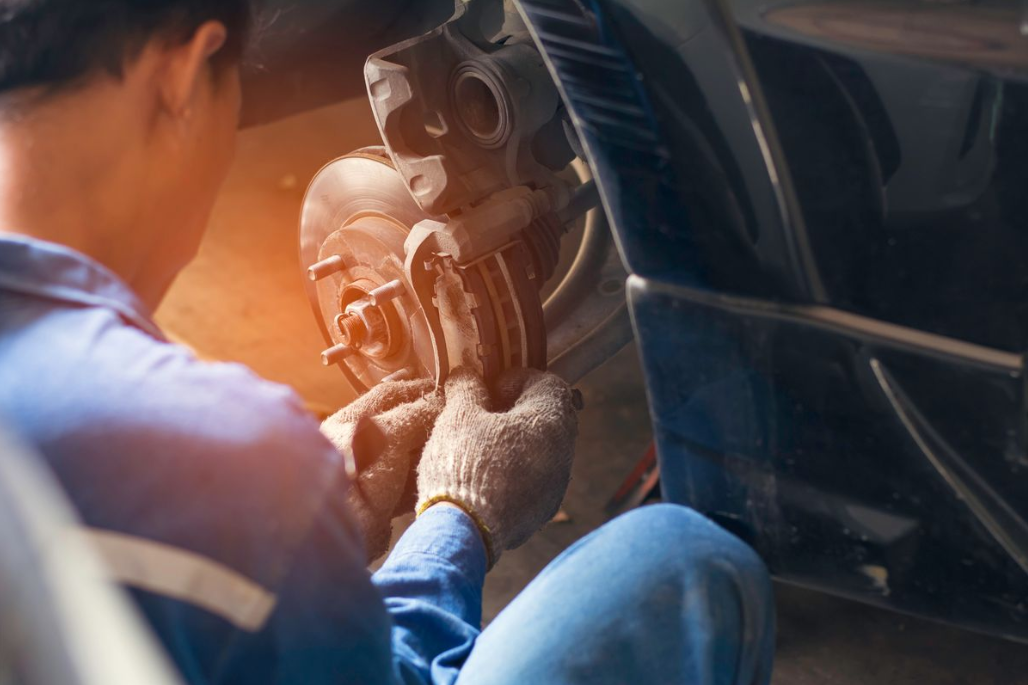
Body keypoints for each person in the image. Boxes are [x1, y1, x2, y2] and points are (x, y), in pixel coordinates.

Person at [0, 1, 776, 683]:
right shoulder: (213, 445)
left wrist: (294, 519)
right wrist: (456, 520)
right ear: (184, 75)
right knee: (686, 568)